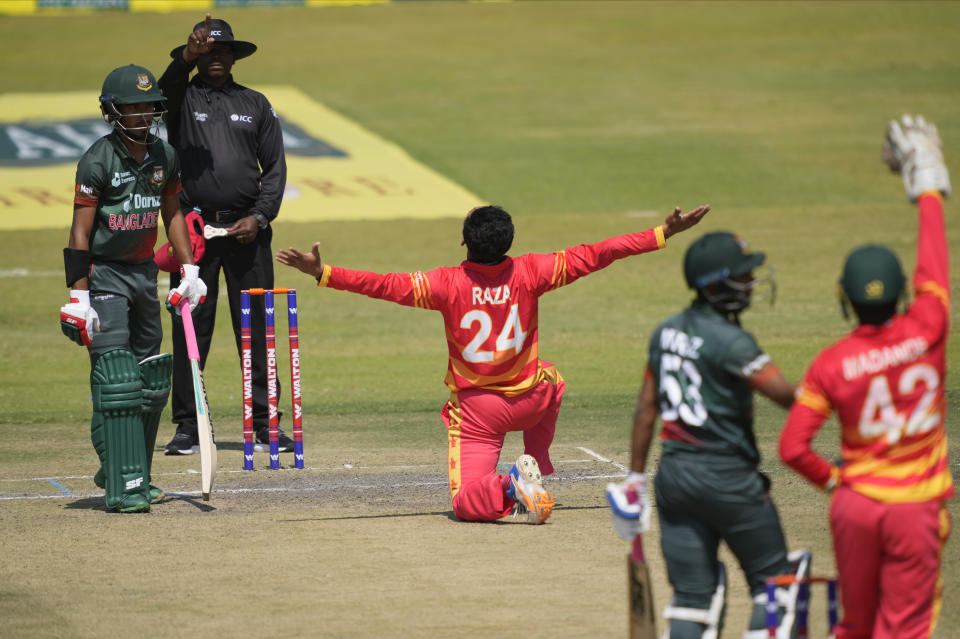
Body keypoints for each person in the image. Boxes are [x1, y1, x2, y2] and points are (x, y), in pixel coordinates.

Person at [277, 203, 710, 523]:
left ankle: (511, 484)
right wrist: (661, 233)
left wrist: (323, 272)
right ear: (510, 242)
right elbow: (598, 253)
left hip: (480, 414)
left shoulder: (443, 284)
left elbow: (383, 285)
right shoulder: (533, 271)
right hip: (533, 401)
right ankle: (535, 458)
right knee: (552, 378)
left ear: (464, 241)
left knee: (466, 505)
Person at [779, 115, 953, 639]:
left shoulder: (831, 363)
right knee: (904, 628)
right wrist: (928, 190)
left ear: (844, 301)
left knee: (856, 625)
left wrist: (837, 482)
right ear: (901, 294)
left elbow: (792, 447)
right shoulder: (930, 325)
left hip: (856, 507)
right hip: (914, 508)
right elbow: (935, 266)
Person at [606, 230, 803, 638]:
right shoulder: (733, 342)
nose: (751, 283)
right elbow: (786, 397)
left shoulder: (665, 332)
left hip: (674, 480)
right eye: (743, 276)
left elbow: (646, 409)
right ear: (715, 284)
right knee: (777, 588)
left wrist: (636, 478)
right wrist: (845, 394)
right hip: (730, 480)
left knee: (692, 601)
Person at [60, 64, 206, 513]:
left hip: (144, 274)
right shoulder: (97, 160)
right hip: (104, 275)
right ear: (112, 112)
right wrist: (79, 297)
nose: (142, 115)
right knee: (116, 379)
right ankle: (120, 476)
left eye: (148, 106)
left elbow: (173, 214)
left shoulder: (165, 156)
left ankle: (132, 473)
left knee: (150, 380)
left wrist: (189, 270)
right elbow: (79, 235)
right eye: (132, 107)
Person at [158, 14, 292, 455]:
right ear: (197, 55)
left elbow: (274, 170)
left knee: (256, 330)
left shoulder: (256, 103)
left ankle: (264, 423)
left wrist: (260, 217)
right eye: (207, 51)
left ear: (234, 56)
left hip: (246, 233)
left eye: (222, 50)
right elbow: (165, 88)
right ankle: (187, 426)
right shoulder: (181, 98)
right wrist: (185, 55)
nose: (215, 57)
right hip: (194, 232)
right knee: (190, 330)